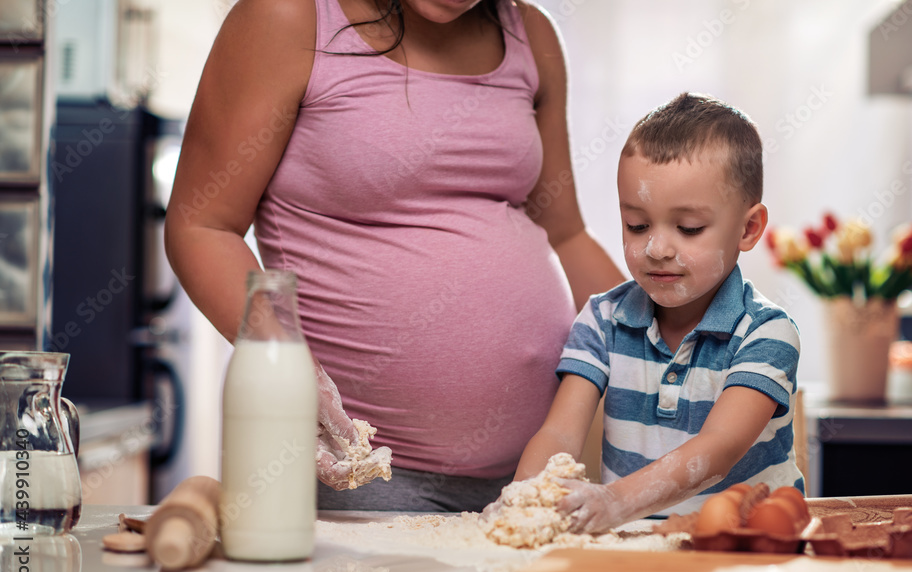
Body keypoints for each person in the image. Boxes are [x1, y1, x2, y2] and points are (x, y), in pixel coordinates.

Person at [164, 0, 624, 511]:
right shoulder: (287, 17)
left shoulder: (531, 33)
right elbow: (203, 224)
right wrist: (285, 365)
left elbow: (566, 233)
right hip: (355, 473)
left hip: (530, 479)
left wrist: (687, 342)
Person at [511, 92, 803, 534]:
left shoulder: (766, 334)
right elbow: (559, 437)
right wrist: (524, 501)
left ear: (747, 228)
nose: (657, 249)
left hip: (746, 558)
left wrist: (612, 502)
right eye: (637, 225)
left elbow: (717, 450)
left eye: (688, 228)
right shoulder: (602, 320)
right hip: (634, 552)